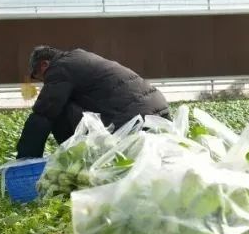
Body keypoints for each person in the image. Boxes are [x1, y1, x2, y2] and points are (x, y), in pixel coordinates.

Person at [15, 46, 169, 158]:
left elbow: (43, 114)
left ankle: (78, 159)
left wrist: (25, 158)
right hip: (159, 114)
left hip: (134, 121)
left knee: (56, 109)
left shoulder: (60, 68)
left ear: (44, 64)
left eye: (39, 76)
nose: (43, 82)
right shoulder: (80, 58)